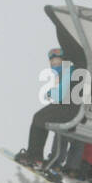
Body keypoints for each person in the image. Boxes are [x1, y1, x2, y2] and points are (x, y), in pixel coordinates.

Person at [18, 46, 80, 176]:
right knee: (40, 118)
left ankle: (34, 155)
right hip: (68, 107)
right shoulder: (64, 72)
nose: (54, 65)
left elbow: (62, 93)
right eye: (52, 63)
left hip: (68, 108)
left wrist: (51, 93)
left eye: (57, 62)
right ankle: (35, 155)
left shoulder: (68, 70)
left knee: (39, 118)